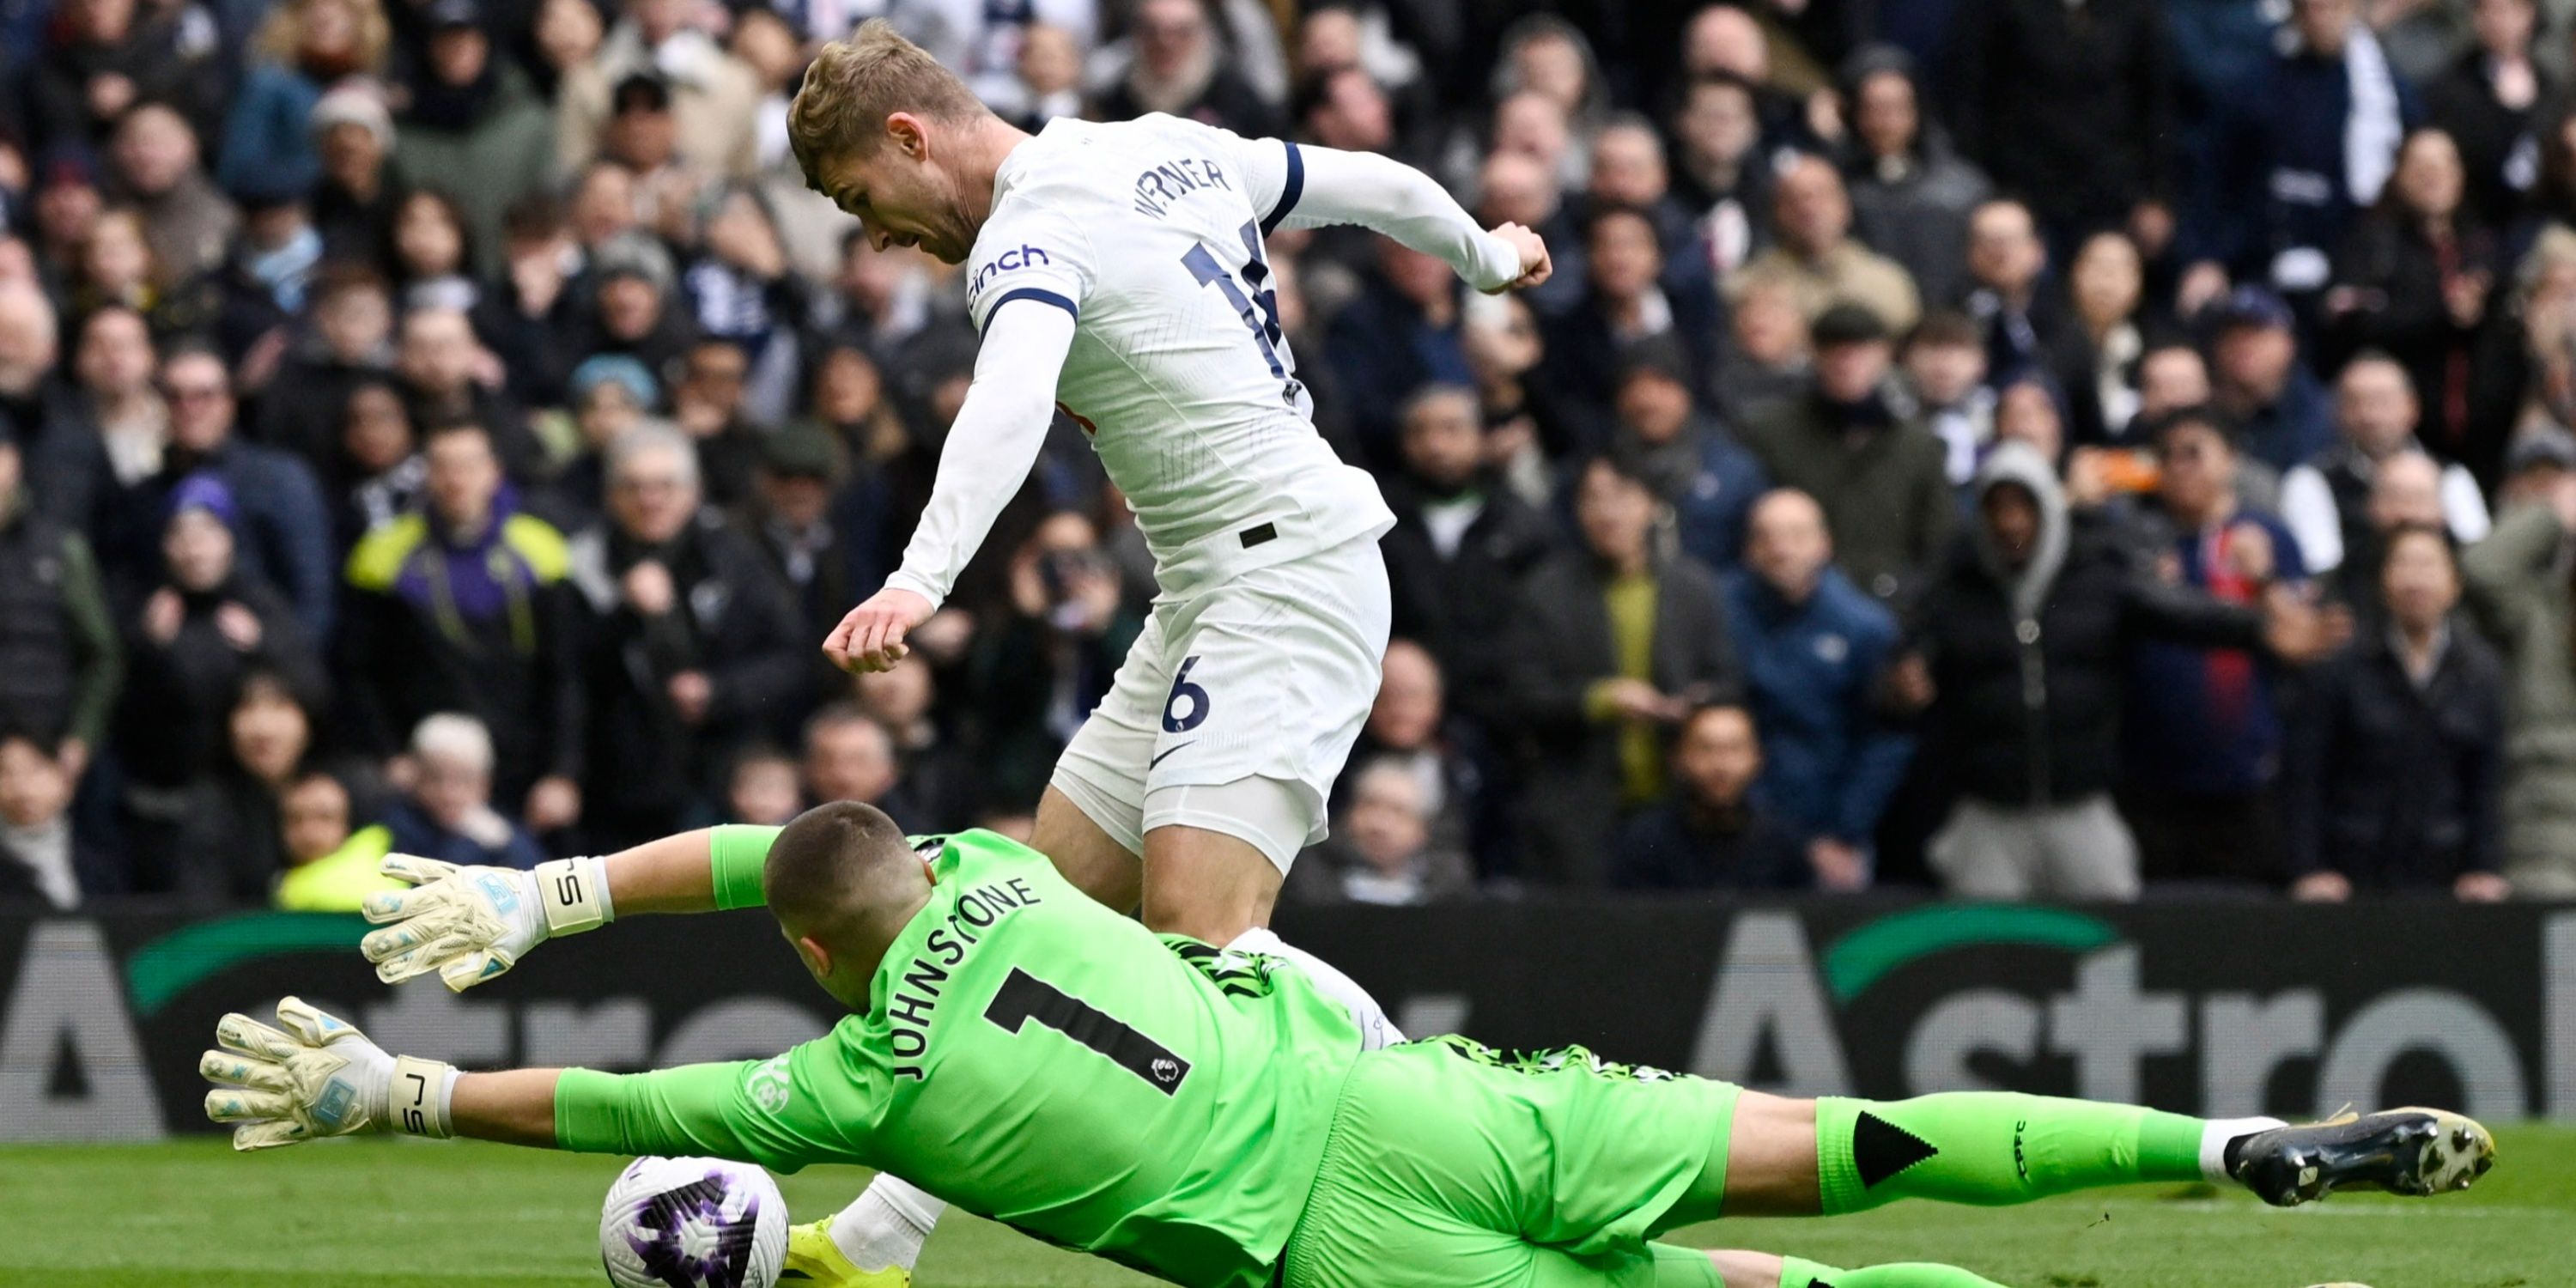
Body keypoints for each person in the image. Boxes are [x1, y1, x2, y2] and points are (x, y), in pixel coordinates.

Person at [217, 803, 2498, 1288]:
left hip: (1342, 1238)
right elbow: (782, 840)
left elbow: (617, 1100)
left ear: (825, 960)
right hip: (1412, 1087)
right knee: (1860, 1132)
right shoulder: (1002, 859)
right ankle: (2221, 1139)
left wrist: (398, 1084)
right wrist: (565, 885)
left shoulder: (848, 1085)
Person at [793, 22, 1551, 1281]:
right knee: (1029, 920)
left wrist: (918, 577)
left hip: (1285, 576)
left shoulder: (1027, 236)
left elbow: (1013, 395)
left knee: (1202, 939)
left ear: (912, 139)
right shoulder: (1161, 148)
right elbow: (1369, 182)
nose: (879, 236)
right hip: (1214, 587)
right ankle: (879, 1237)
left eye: (865, 200)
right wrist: (1482, 252)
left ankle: (1494, 1139)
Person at [1900, 442, 2341, 900]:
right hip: (1987, 809)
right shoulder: (1952, 588)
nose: (2012, 522)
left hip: (2081, 804)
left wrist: (2259, 629)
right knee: (1977, 947)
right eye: (1998, 508)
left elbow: (2179, 613)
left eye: (2024, 506)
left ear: (2049, 510)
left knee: (2114, 934)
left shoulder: (2096, 577)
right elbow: (1904, 665)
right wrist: (1900, 687)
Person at [1504, 457, 1736, 887]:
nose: (1608, 513)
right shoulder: (1545, 592)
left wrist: (1694, 702)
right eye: (1593, 499)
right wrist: (1602, 699)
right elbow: (1522, 694)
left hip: (1676, 802)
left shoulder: (1695, 588)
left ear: (1651, 505)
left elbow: (1728, 680)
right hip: (1579, 804)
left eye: (1622, 497)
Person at [340, 420, 583, 828]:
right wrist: (389, 754)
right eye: (442, 466)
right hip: (425, 775)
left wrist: (562, 773)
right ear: (425, 475)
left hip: (522, 770)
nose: (456, 480)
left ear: (494, 472)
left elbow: (565, 675)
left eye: (468, 466)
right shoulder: (381, 559)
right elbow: (358, 672)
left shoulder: (541, 554)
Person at [2287, 525, 2507, 900]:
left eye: (2427, 565)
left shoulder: (2481, 672)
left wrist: (2483, 868)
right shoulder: (2342, 668)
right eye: (2403, 564)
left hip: (2443, 875)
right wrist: (2310, 868)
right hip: (2351, 874)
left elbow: (2487, 782)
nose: (2414, 579)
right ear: (2382, 581)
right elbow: (2307, 775)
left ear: (2454, 584)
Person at [1726, 490, 1911, 890]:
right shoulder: (1719, 614)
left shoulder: (1865, 627)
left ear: (1823, 544)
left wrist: (1845, 834)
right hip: (1741, 824)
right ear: (1747, 549)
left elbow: (1886, 737)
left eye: (1795, 534)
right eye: (1766, 537)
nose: (1780, 549)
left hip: (1835, 830)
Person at [1735, 304, 1954, 606]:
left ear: (1885, 354)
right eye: (1834, 350)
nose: (1846, 363)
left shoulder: (1918, 446)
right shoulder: (1771, 435)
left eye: (1859, 351)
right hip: (1794, 603)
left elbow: (1937, 544)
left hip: (1891, 607)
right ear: (1815, 354)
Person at [2278, 355, 2491, 601]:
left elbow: (2478, 560)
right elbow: (2322, 572)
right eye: (2355, 402)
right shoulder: (2310, 480)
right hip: (2356, 610)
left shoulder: (2451, 476)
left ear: (2412, 406)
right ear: (2337, 412)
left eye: (2383, 401)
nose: (2370, 415)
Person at [2459, 475, 2576, 896]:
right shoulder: (2539, 617)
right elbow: (2484, 569)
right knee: (2560, 959)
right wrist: (2554, 514)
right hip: (2543, 850)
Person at [0, 419, 123, 781]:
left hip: (49, 753)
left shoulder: (60, 550)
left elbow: (102, 654)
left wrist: (80, 739)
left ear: (13, 461)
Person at [1611, 703, 1809, 892]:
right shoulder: (1644, 842)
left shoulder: (1783, 842)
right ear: (1678, 758)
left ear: (1757, 758)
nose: (1720, 765)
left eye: (1734, 748)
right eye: (1705, 748)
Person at [1284, 756, 1473, 905]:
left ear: (1422, 829)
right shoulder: (1308, 876)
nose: (1380, 825)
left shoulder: (1448, 887)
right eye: (1369, 805)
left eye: (1398, 812)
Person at [385, 713, 545, 871]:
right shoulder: (395, 829)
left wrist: (502, 844)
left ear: (484, 785)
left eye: (463, 780)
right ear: (416, 778)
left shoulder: (504, 836)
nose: (448, 794)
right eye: (435, 778)